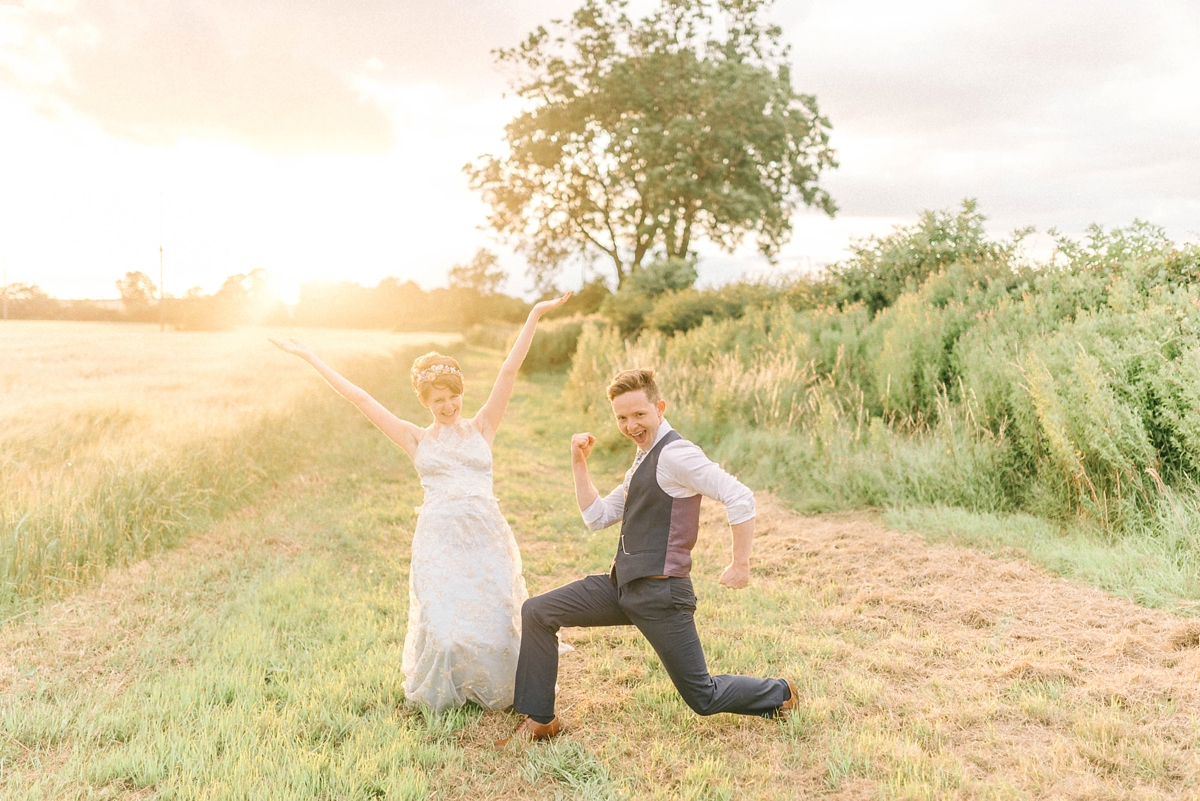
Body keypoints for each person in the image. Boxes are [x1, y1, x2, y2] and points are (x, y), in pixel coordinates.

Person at [269, 291, 570, 713]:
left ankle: (506, 685)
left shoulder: (484, 426)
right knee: (445, 626)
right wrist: (310, 357)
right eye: (437, 401)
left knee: (498, 621)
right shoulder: (415, 438)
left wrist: (535, 314)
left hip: (485, 534)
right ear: (425, 402)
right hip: (439, 539)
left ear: (461, 393)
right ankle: (449, 685)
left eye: (452, 397)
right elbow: (360, 398)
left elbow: (508, 369)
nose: (447, 406)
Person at [501, 367, 796, 743]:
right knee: (538, 611)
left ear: (659, 407)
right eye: (621, 417)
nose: (630, 425)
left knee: (702, 697)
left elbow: (739, 495)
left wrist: (741, 563)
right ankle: (541, 719)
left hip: (660, 595)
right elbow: (598, 517)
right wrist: (579, 463)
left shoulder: (676, 454)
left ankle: (781, 693)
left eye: (639, 414)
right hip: (622, 588)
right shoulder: (643, 458)